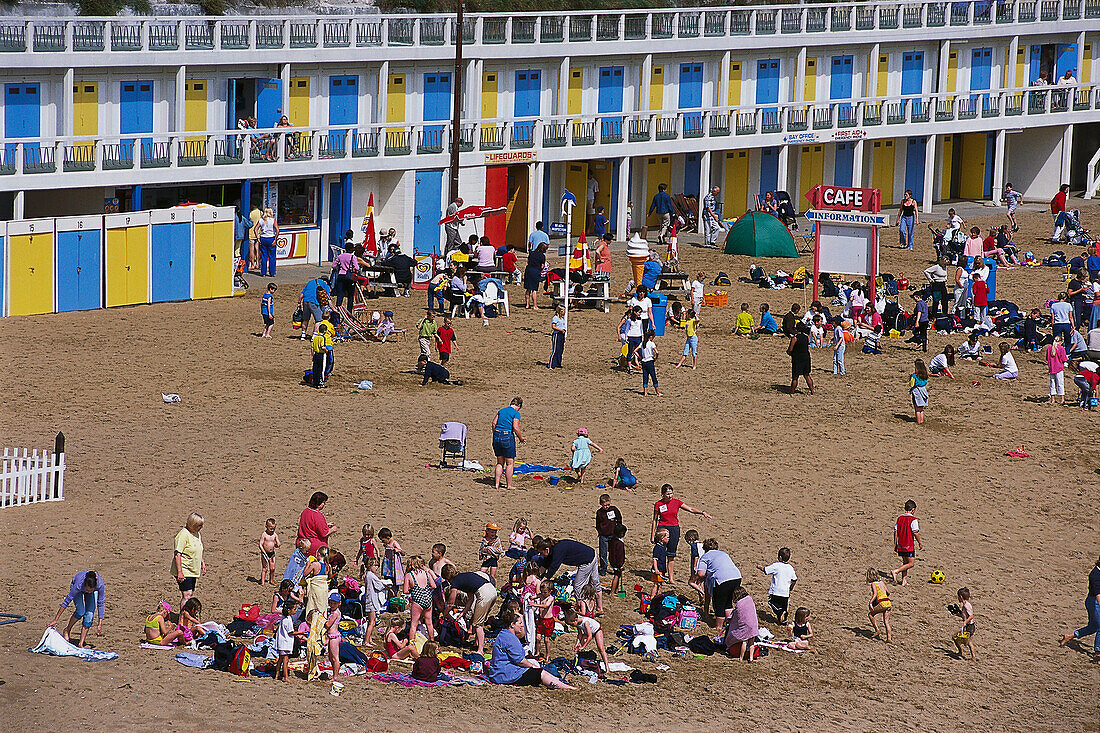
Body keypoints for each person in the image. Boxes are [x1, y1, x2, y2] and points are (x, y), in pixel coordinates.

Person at [488, 611, 576, 689]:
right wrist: (532, 666)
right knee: (540, 672)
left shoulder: (503, 634)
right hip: (505, 674)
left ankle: (557, 680)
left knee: (536, 665)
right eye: (520, 623)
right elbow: (520, 661)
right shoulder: (510, 638)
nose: (522, 625)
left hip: (498, 672)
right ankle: (567, 687)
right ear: (512, 624)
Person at [650, 483, 712, 584]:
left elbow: (690, 509)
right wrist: (652, 535)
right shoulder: (658, 504)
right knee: (659, 553)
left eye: (671, 493)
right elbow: (654, 520)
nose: (670, 496)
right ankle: (658, 575)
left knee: (671, 554)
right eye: (667, 494)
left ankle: (670, 578)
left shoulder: (676, 502)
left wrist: (702, 512)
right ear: (662, 494)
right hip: (662, 529)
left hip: (674, 529)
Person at [538, 538, 603, 615]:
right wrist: (537, 578)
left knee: (578, 585)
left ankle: (581, 609)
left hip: (587, 561)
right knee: (595, 582)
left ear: (547, 549)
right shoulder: (552, 550)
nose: (540, 555)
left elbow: (553, 568)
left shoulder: (558, 550)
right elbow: (545, 565)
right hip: (592, 554)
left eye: (541, 553)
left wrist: (541, 582)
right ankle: (599, 608)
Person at [442, 567, 498, 655]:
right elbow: (470, 599)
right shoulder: (463, 577)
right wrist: (463, 612)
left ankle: (480, 650)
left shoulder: (455, 582)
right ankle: (477, 643)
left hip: (484, 594)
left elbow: (450, 603)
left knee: (477, 624)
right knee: (480, 620)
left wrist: (444, 614)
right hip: (492, 590)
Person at [690, 539, 741, 633]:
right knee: (728, 602)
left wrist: (693, 579)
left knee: (720, 603)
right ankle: (728, 623)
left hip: (722, 579)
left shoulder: (705, 557)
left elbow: (701, 573)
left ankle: (718, 627)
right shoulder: (723, 554)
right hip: (736, 577)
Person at [48, 570, 106, 648]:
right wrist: (56, 619)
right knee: (80, 611)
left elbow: (101, 603)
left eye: (91, 590)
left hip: (90, 588)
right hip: (77, 586)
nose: (89, 592)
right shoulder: (79, 584)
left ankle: (81, 643)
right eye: (88, 590)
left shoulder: (100, 585)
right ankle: (67, 630)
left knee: (89, 615)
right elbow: (66, 601)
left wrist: (100, 623)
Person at [1060, 555, 1100, 662]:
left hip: (1095, 601)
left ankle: (1070, 636)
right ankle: (1098, 653)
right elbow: (1098, 595)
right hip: (1094, 602)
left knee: (1093, 627)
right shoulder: (1095, 575)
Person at [172, 512, 205, 605]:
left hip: (192, 569)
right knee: (187, 595)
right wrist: (180, 572)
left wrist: (202, 562)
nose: (201, 527)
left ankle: (185, 616)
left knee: (190, 593)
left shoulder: (196, 534)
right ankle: (182, 618)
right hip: (184, 568)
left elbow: (197, 548)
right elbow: (177, 554)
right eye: (199, 525)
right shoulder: (182, 535)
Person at [403, 555, 438, 642]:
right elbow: (434, 585)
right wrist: (425, 589)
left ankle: (412, 643)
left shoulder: (409, 575)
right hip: (428, 599)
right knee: (429, 623)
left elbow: (405, 590)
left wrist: (414, 590)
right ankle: (432, 641)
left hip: (418, 601)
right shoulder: (426, 573)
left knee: (413, 624)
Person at [757, 548, 797, 623]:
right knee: (784, 608)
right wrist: (791, 588)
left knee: (771, 602)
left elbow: (766, 570)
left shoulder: (776, 566)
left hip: (776, 591)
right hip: (785, 593)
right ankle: (783, 621)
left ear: (780, 557)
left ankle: (780, 612)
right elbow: (794, 580)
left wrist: (760, 567)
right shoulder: (790, 568)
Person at [492, 397, 524, 492]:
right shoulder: (516, 413)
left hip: (497, 435)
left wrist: (496, 433)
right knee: (510, 463)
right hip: (507, 436)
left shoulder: (501, 410)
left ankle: (497, 484)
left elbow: (494, 423)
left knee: (499, 462)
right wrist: (521, 438)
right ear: (518, 405)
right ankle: (509, 485)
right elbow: (515, 427)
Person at [723, 587, 759, 661]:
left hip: (745, 626)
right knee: (752, 643)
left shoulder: (739, 604)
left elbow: (737, 615)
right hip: (753, 625)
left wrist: (729, 619)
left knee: (744, 642)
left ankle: (741, 658)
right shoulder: (750, 599)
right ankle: (751, 658)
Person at [892, 499, 922, 585]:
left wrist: (895, 544)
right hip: (908, 544)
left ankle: (904, 580)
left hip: (901, 544)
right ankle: (896, 571)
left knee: (905, 562)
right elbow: (915, 532)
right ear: (913, 509)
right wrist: (919, 542)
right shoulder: (913, 520)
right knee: (911, 563)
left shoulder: (899, 519)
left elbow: (895, 532)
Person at [296, 491, 335, 557]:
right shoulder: (317, 515)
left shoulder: (305, 511)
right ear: (318, 503)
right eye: (323, 502)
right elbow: (324, 533)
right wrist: (332, 529)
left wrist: (326, 525)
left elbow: (310, 525)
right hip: (314, 546)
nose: (324, 504)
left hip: (302, 543)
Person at [595, 494, 622, 576]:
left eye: (608, 505)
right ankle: (603, 569)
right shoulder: (599, 513)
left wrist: (618, 529)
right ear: (601, 504)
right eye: (605, 505)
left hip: (613, 535)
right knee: (603, 553)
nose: (606, 507)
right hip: (604, 536)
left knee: (613, 553)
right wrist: (601, 532)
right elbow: (598, 524)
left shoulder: (614, 510)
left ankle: (614, 567)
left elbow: (619, 518)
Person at [274, 599, 299, 681]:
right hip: (285, 642)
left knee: (280, 659)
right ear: (289, 610)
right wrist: (301, 633)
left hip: (281, 641)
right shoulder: (288, 619)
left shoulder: (283, 618)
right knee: (285, 660)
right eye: (294, 609)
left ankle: (277, 675)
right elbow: (291, 632)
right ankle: (286, 677)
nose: (296, 611)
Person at [866, 568, 893, 642]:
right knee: (886, 621)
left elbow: (875, 594)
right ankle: (889, 638)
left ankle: (877, 630)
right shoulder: (881, 582)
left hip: (881, 603)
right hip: (888, 602)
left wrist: (870, 602)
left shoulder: (873, 584)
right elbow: (888, 592)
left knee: (871, 614)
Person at [950, 588, 977, 661]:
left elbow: (971, 616)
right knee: (958, 639)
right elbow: (965, 615)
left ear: (961, 596)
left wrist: (965, 622)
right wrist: (957, 614)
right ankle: (961, 652)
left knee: (967, 642)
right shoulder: (965, 605)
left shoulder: (966, 605)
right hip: (968, 626)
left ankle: (972, 657)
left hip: (970, 626)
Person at [788, 322, 814, 395]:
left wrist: (790, 353)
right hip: (806, 357)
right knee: (807, 375)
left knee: (795, 377)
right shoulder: (806, 337)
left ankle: (792, 392)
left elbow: (790, 349)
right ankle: (812, 391)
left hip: (797, 358)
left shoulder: (795, 338)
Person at [634, 330, 661, 397]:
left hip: (644, 361)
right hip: (650, 361)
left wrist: (639, 357)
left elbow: (635, 351)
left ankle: (645, 392)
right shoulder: (651, 343)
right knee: (653, 376)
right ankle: (657, 392)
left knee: (645, 377)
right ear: (651, 337)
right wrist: (655, 358)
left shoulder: (643, 343)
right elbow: (657, 352)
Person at [253, 207, 279, 277]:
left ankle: (263, 272)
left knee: (264, 256)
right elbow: (277, 230)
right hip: (271, 238)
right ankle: (272, 273)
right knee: (272, 257)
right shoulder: (273, 220)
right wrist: (275, 239)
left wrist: (258, 237)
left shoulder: (261, 220)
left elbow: (255, 229)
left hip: (263, 238)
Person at [524, 241, 548, 310]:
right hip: (535, 271)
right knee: (534, 289)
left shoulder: (532, 253)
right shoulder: (542, 256)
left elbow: (528, 262)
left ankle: (527, 305)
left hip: (528, 270)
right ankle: (535, 305)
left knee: (528, 289)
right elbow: (542, 266)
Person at [258, 518, 281, 587]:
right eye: (271, 528)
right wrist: (264, 552)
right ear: (266, 526)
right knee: (265, 568)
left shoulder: (274, 535)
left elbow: (278, 542)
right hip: (265, 553)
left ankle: (271, 580)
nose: (272, 530)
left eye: (274, 528)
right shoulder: (264, 534)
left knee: (272, 568)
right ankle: (262, 582)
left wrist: (277, 544)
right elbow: (260, 544)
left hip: (272, 553)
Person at [1047, 335, 1069, 405]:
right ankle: (1062, 399)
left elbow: (1047, 358)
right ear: (1060, 342)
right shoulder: (1061, 348)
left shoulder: (1049, 348)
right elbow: (1064, 359)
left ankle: (1052, 399)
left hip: (1051, 367)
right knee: (1060, 383)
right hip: (1059, 367)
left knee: (1052, 384)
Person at [909, 358, 929, 424]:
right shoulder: (925, 374)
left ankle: (918, 422)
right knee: (921, 409)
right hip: (923, 390)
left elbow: (912, 384)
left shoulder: (915, 375)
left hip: (916, 391)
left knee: (917, 409)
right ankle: (921, 421)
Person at [309, 324, 329, 388]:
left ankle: (315, 382)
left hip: (315, 354)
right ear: (325, 331)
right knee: (321, 369)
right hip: (321, 354)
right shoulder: (322, 338)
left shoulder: (315, 338)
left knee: (315, 368)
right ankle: (321, 382)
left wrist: (312, 355)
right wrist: (326, 351)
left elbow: (312, 348)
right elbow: (322, 347)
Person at [549, 304, 567, 369]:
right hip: (557, 334)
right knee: (555, 350)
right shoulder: (555, 318)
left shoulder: (562, 319)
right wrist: (560, 330)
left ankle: (558, 363)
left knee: (560, 350)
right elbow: (553, 326)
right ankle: (551, 364)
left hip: (562, 335)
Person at [247, 202, 262, 273]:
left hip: (251, 233)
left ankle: (252, 264)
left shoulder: (251, 213)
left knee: (252, 249)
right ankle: (257, 263)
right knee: (257, 249)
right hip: (258, 233)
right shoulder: (260, 212)